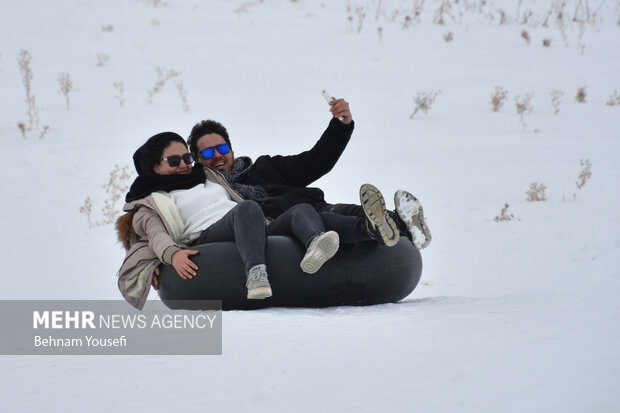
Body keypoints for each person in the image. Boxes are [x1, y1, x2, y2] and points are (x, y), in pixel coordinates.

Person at [116, 132, 341, 309]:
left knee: (300, 208)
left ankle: (316, 245)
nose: (184, 164)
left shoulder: (208, 178)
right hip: (207, 235)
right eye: (174, 161)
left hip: (252, 224)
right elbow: (155, 234)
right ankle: (256, 275)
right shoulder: (152, 201)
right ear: (154, 167)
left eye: (187, 158)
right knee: (247, 209)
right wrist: (172, 255)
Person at [187, 97, 432, 250]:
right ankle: (374, 229)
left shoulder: (265, 168)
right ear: (198, 160)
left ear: (231, 148)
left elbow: (316, 161)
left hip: (317, 205)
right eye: (208, 153)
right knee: (334, 221)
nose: (217, 156)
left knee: (346, 210)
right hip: (292, 224)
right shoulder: (210, 194)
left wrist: (341, 125)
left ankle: (405, 225)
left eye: (221, 148)